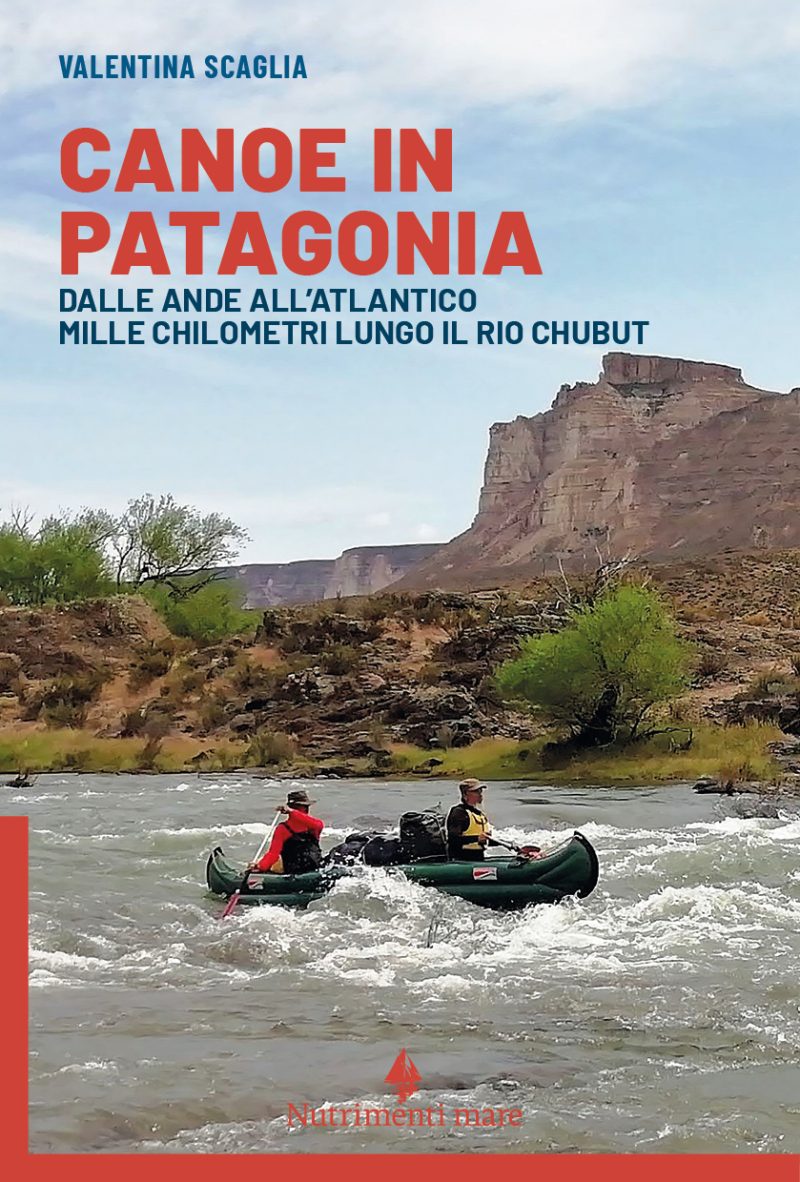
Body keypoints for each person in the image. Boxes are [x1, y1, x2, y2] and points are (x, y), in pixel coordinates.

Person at [248, 789, 324, 875]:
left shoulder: (313, 826)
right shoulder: (282, 829)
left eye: (306, 807)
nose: (306, 809)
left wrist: (292, 812)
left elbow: (318, 825)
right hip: (293, 872)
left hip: (315, 869)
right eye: (303, 807)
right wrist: (259, 867)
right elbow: (273, 854)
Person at [446, 779, 499, 861]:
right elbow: (453, 840)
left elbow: (482, 841)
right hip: (461, 860)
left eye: (481, 791)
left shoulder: (479, 814)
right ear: (466, 793)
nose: (480, 794)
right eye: (477, 791)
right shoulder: (459, 813)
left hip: (478, 857)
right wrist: (477, 838)